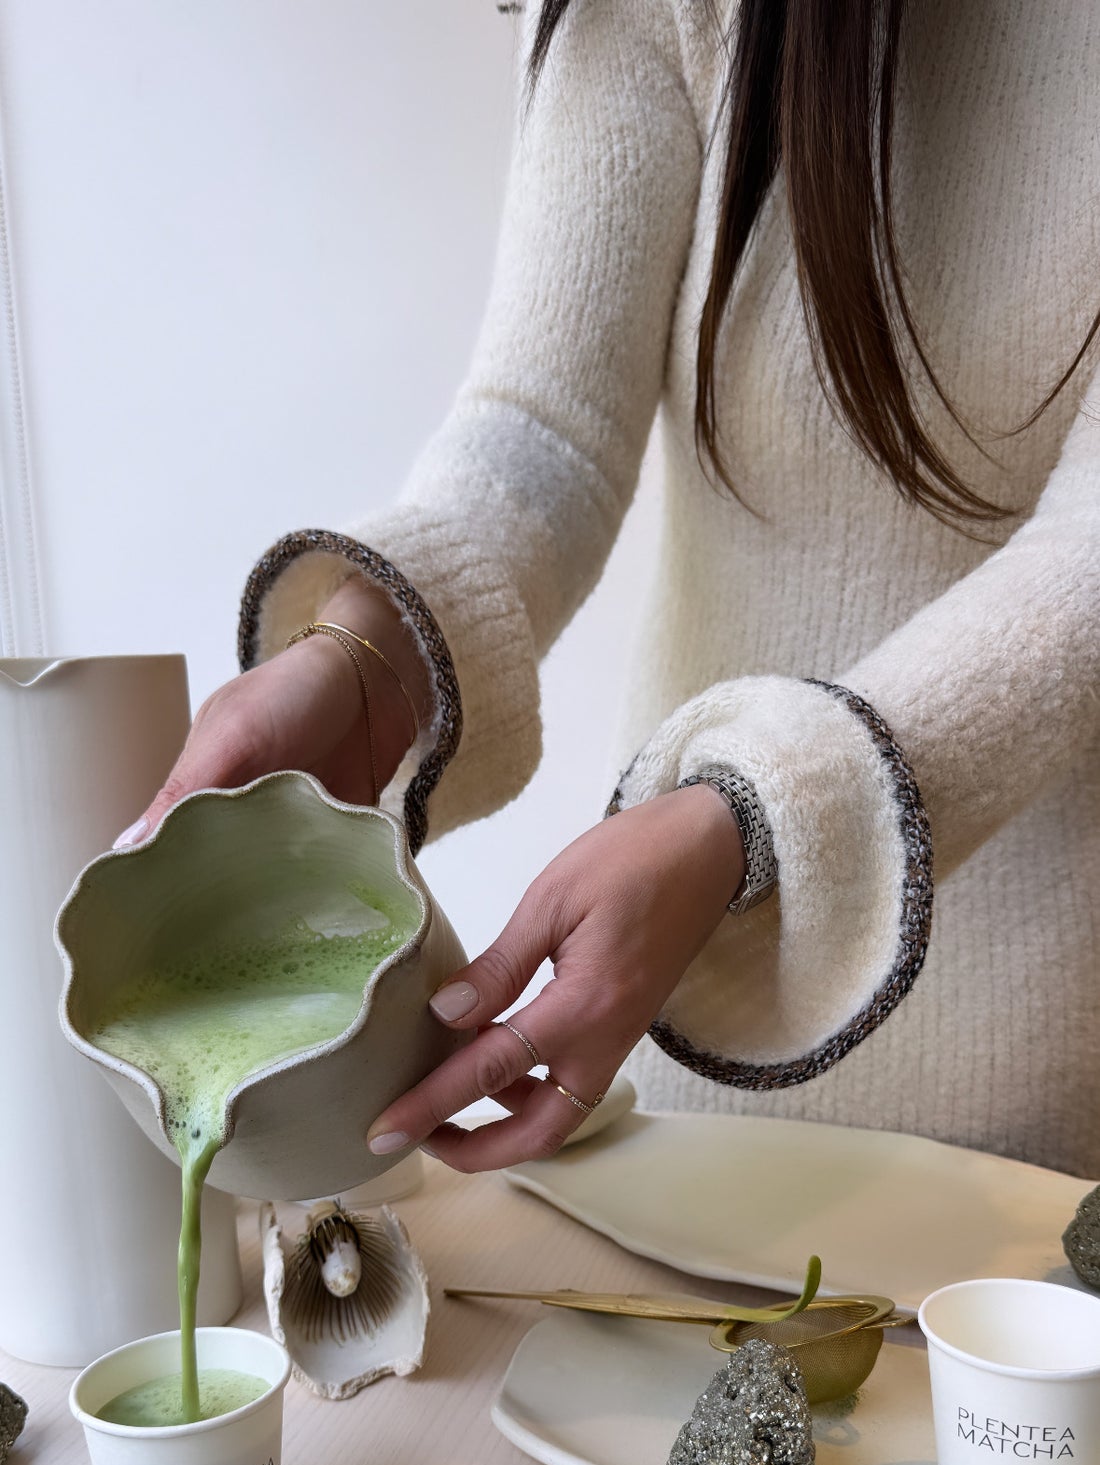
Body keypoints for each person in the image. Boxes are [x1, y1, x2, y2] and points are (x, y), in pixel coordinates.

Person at [119, 0, 1100, 1179]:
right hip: (687, 1026)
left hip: (1040, 1084)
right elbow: (544, 435)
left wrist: (750, 819)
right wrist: (357, 654)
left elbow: (1079, 573)